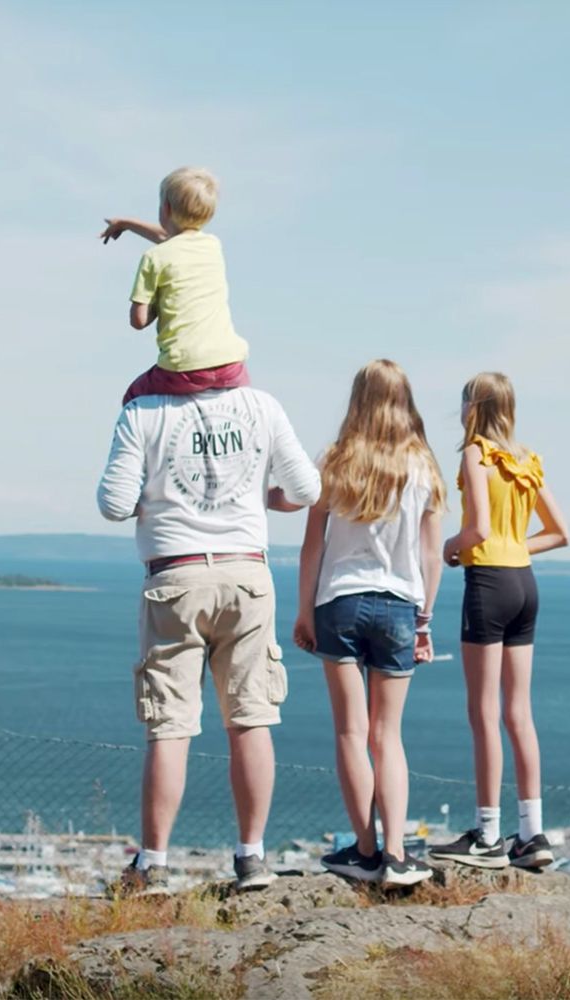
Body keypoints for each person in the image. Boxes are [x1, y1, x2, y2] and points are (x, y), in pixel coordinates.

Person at [96, 379, 320, 895]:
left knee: (170, 726)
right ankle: (252, 858)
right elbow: (306, 489)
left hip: (175, 577)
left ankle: (152, 864)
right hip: (247, 574)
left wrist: (156, 494)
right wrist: (262, 495)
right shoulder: (262, 404)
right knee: (251, 719)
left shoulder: (143, 410)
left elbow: (113, 503)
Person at [290, 360, 445, 887]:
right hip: (401, 606)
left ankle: (363, 849)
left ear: (357, 400)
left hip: (339, 602)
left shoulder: (333, 461)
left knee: (351, 733)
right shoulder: (423, 466)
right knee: (388, 736)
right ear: (406, 402)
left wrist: (304, 611)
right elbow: (432, 556)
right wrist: (424, 622)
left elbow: (312, 547)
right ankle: (397, 855)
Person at [426, 372, 570, 871]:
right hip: (525, 585)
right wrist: (511, 548)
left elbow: (478, 528)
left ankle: (487, 833)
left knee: (483, 713)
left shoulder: (476, 454)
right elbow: (559, 533)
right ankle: (532, 835)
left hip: (488, 584)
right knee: (519, 714)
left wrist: (452, 546)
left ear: (473, 406)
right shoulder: (527, 461)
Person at [100, 166, 252, 406]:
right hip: (231, 366)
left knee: (133, 398)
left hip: (182, 369)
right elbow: (172, 238)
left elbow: (138, 321)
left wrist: (160, 302)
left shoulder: (154, 257)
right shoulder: (213, 246)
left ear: (166, 209)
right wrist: (127, 224)